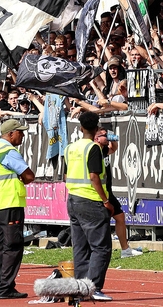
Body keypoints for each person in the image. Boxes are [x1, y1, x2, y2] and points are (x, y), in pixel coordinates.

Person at [65, 111, 113, 302]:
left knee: (80, 247)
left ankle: (81, 287)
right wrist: (106, 201)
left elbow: (66, 175)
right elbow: (94, 177)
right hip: (91, 200)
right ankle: (92, 287)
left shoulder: (70, 148)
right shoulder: (92, 148)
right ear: (96, 128)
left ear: (80, 128)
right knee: (101, 247)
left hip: (73, 199)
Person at [0, 119, 35, 300]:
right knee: (13, 246)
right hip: (10, 202)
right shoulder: (8, 151)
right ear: (11, 133)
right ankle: (6, 287)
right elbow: (29, 175)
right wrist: (22, 178)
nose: (22, 135)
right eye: (20, 132)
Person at [94, 128, 142, 259]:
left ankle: (125, 249)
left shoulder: (103, 150)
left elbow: (113, 148)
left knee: (120, 217)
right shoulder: (94, 151)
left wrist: (112, 138)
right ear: (97, 138)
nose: (106, 137)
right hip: (98, 194)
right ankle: (97, 252)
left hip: (108, 192)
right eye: (104, 135)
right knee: (100, 223)